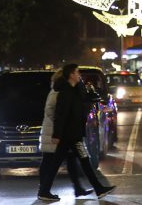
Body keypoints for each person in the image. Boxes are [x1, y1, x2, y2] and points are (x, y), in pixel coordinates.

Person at [37, 64, 115, 201]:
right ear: (71, 75)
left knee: (68, 162)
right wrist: (57, 134)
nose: (79, 75)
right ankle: (98, 188)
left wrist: (90, 98)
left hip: (72, 134)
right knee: (78, 161)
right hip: (69, 135)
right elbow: (60, 114)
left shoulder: (74, 90)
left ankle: (47, 190)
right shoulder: (64, 92)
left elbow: (79, 108)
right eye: (77, 72)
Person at [38, 70, 91, 201]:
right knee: (49, 161)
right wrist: (61, 123)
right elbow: (50, 110)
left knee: (71, 159)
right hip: (53, 132)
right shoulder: (56, 92)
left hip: (62, 133)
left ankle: (77, 188)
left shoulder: (63, 91)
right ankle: (43, 190)